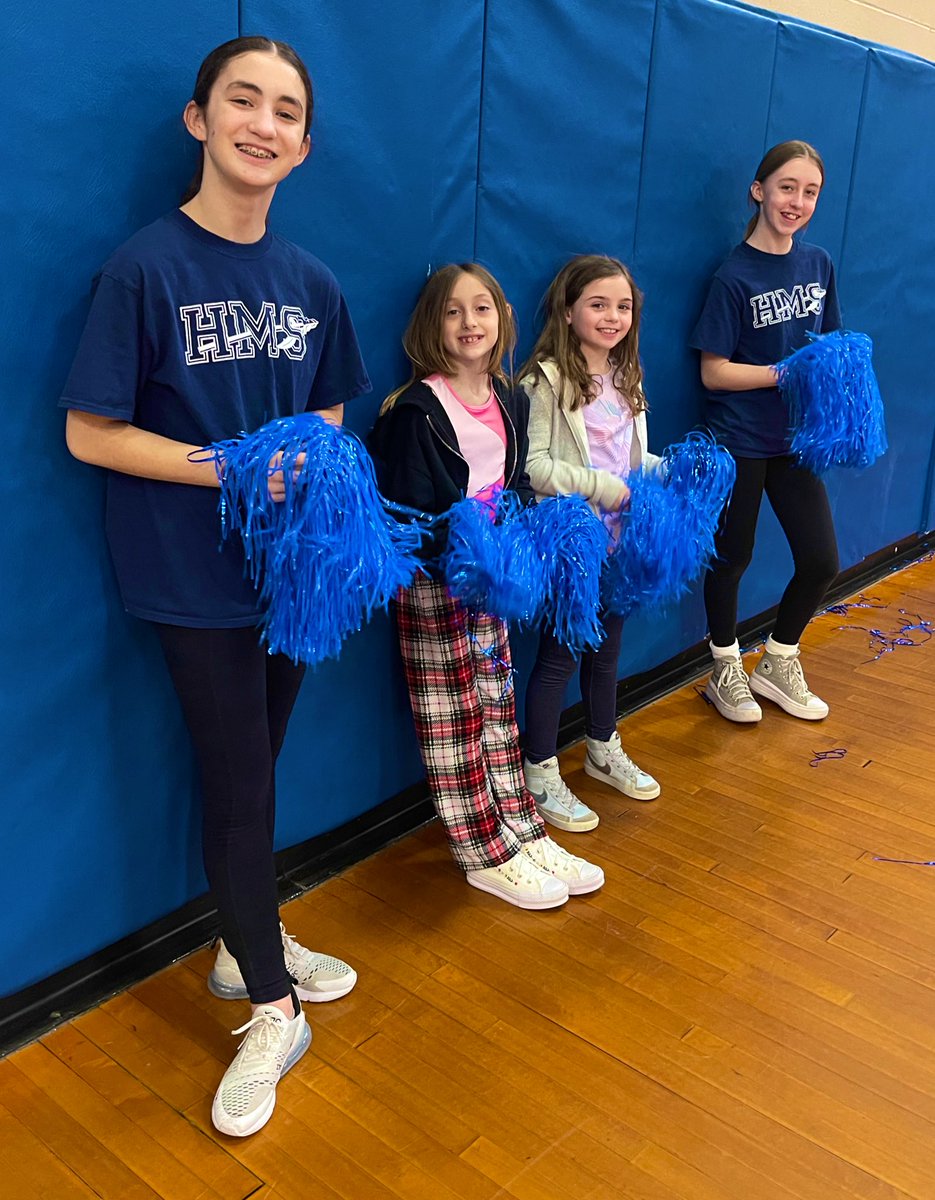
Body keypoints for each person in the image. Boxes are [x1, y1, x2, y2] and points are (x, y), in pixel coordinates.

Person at [60, 37, 370, 1137]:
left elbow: (333, 404)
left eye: (285, 111)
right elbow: (89, 433)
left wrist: (306, 458)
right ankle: (273, 1007)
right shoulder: (144, 267)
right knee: (238, 780)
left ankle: (247, 950)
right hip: (189, 576)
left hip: (292, 578)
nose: (263, 123)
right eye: (242, 100)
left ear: (305, 143)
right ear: (199, 119)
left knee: (257, 773)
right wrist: (229, 467)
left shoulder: (312, 282)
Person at [368, 263, 604, 909]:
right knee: (454, 716)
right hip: (437, 585)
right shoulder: (414, 410)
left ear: (501, 318)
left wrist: (522, 546)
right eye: (452, 311)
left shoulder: (509, 397)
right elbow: (409, 516)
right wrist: (471, 553)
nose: (469, 323)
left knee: (497, 705)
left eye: (481, 309)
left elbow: (516, 485)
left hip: (493, 583)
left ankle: (522, 829)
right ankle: (481, 849)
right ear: (431, 325)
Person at [690, 140, 841, 723]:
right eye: (786, 188)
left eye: (809, 192)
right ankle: (724, 667)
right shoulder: (733, 275)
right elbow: (714, 370)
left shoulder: (819, 263)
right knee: (733, 557)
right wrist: (783, 372)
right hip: (740, 438)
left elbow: (826, 343)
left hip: (794, 438)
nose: (796, 202)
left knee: (821, 559)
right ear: (759, 191)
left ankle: (777, 660)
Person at [520, 255, 661, 833]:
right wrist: (607, 490)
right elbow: (533, 468)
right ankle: (540, 771)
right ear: (569, 309)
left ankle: (602, 747)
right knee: (559, 658)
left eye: (623, 306)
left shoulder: (628, 379)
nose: (612, 316)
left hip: (619, 545)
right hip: (572, 547)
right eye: (598, 304)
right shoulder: (544, 380)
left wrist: (663, 474)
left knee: (607, 653)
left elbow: (630, 457)